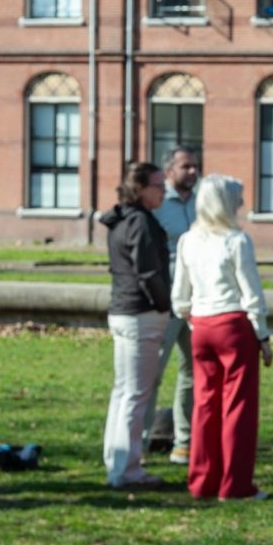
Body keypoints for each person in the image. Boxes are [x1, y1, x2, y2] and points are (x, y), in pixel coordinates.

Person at [172, 174, 273, 500]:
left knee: (204, 404)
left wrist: (192, 319)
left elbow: (180, 296)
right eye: (238, 198)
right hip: (232, 324)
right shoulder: (237, 241)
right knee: (237, 407)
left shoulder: (188, 240)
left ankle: (202, 480)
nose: (242, 203)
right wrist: (262, 335)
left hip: (201, 325)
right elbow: (251, 292)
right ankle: (234, 484)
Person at [101, 162, 172, 490]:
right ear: (140, 189)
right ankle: (126, 469)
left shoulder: (121, 219)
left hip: (123, 310)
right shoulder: (140, 222)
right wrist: (164, 304)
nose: (163, 191)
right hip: (140, 313)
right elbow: (148, 272)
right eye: (158, 185)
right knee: (135, 393)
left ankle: (117, 461)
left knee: (124, 390)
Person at [148, 145, 202, 464]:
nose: (193, 172)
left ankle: (184, 442)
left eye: (195, 166)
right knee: (152, 372)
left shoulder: (202, 203)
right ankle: (140, 441)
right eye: (186, 167)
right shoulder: (158, 204)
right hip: (166, 301)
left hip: (198, 302)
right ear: (169, 171)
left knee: (192, 373)